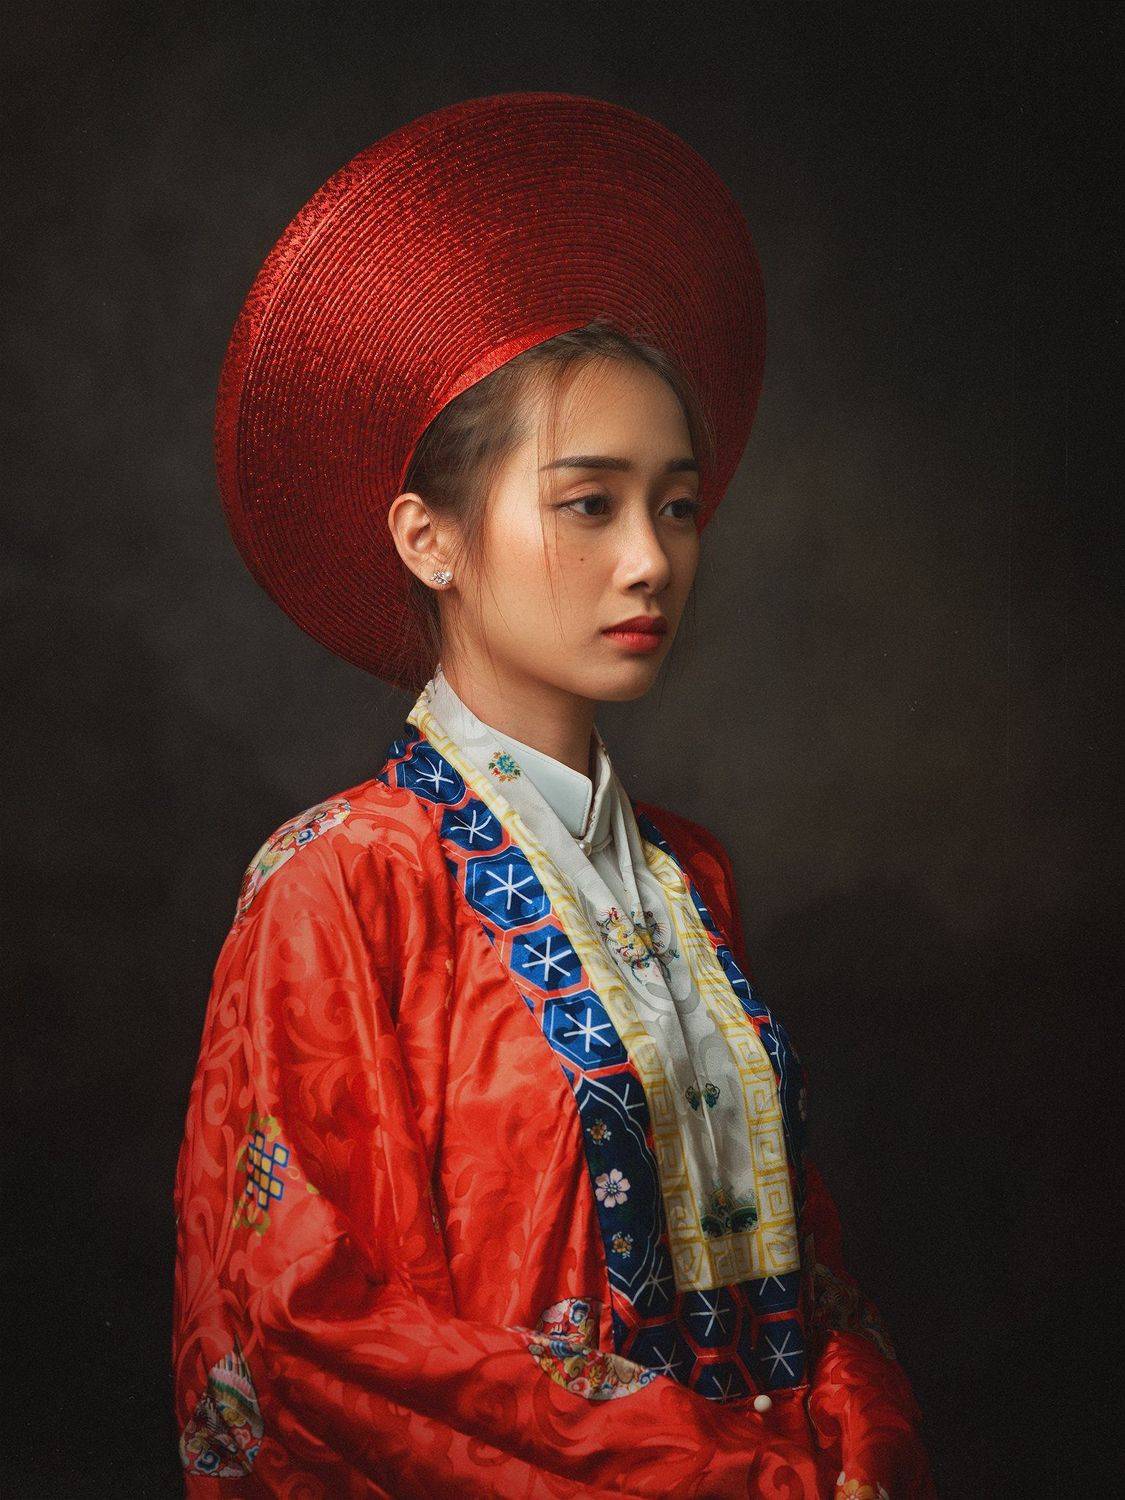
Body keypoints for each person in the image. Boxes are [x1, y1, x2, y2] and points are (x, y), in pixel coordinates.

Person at [173, 93, 937, 1497]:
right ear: (430, 537)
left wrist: (857, 1441)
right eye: (588, 503)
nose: (649, 562)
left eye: (678, 504)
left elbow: (796, 1260)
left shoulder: (684, 879)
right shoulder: (340, 882)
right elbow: (308, 1324)